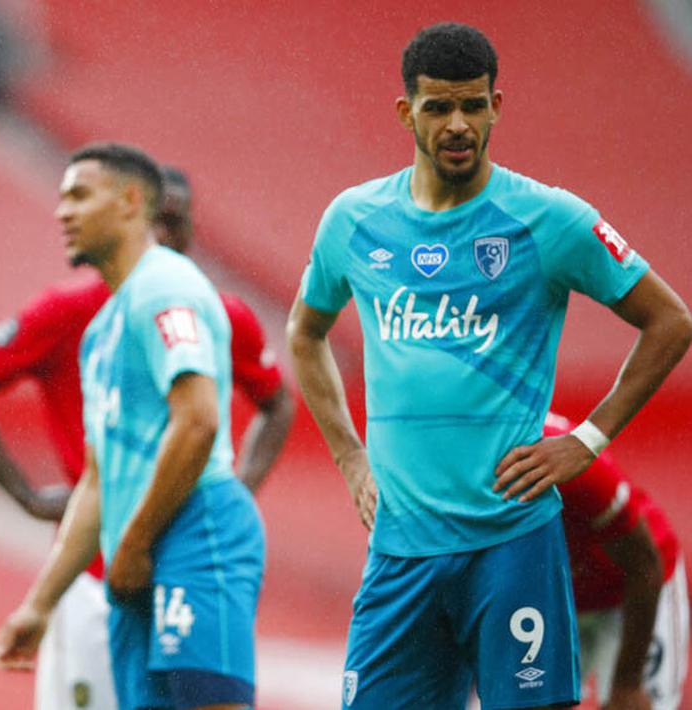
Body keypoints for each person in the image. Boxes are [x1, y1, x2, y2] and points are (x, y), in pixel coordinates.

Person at [286, 21, 692, 709]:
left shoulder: (549, 219)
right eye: (438, 106)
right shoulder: (354, 220)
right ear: (404, 111)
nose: (457, 124)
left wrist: (585, 441)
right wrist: (351, 458)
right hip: (400, 553)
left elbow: (670, 321)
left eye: (473, 105)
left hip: (511, 544)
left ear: (495, 106)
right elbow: (304, 333)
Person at [0, 165, 290, 710]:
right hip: (108, 559)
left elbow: (201, 421)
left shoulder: (173, 292)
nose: (63, 213)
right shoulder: (99, 332)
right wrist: (39, 598)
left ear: (132, 209)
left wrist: (226, 492)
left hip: (185, 534)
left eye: (80, 198)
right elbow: (101, 477)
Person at [546, 413, 688, 710]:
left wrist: (627, 683)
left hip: (631, 594)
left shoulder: (562, 454)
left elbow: (644, 563)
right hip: (559, 604)